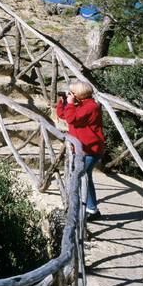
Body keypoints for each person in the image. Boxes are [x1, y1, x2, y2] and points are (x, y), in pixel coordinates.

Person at [56, 80, 105, 217]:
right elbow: (63, 116)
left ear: (79, 94)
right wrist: (63, 102)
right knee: (84, 176)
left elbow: (72, 119)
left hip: (90, 149)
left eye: (72, 93)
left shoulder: (91, 107)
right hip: (82, 148)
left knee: (80, 176)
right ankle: (91, 208)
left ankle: (86, 209)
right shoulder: (81, 104)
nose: (69, 94)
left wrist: (70, 103)